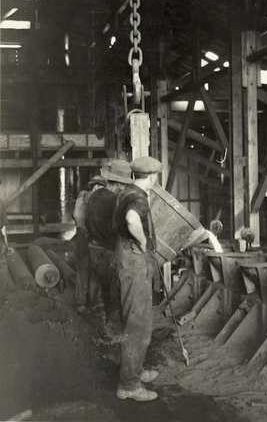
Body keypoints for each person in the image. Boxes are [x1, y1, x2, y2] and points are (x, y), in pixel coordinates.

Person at [113, 156, 162, 402]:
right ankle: (129, 385)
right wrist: (143, 242)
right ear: (152, 177)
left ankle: (135, 371)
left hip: (124, 259)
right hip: (134, 262)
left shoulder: (124, 192)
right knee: (139, 325)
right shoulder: (138, 198)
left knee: (134, 319)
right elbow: (132, 219)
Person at [85, 159, 132, 328]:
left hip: (93, 249)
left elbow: (85, 221)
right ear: (119, 184)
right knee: (114, 297)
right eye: (125, 185)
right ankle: (112, 332)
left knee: (100, 293)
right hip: (109, 253)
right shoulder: (114, 201)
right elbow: (118, 230)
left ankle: (97, 326)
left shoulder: (94, 195)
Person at [73, 174, 107, 313]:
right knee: (85, 268)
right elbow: (77, 215)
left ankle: (93, 301)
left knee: (92, 268)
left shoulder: (86, 197)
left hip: (89, 235)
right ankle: (83, 302)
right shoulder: (86, 197)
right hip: (87, 236)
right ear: (97, 186)